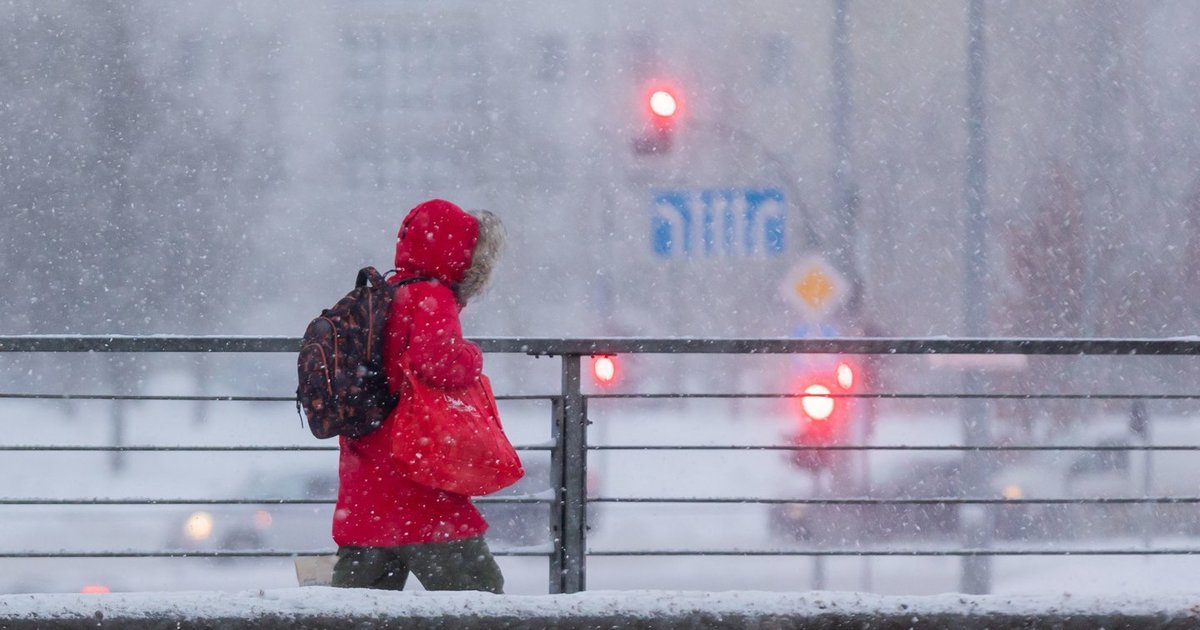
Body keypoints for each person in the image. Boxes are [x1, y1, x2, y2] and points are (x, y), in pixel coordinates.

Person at [330, 198, 506, 593]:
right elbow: (437, 361)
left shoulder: (381, 295)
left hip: (367, 486)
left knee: (353, 613)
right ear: (457, 254)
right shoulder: (431, 296)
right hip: (418, 486)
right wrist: (473, 357)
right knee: (483, 601)